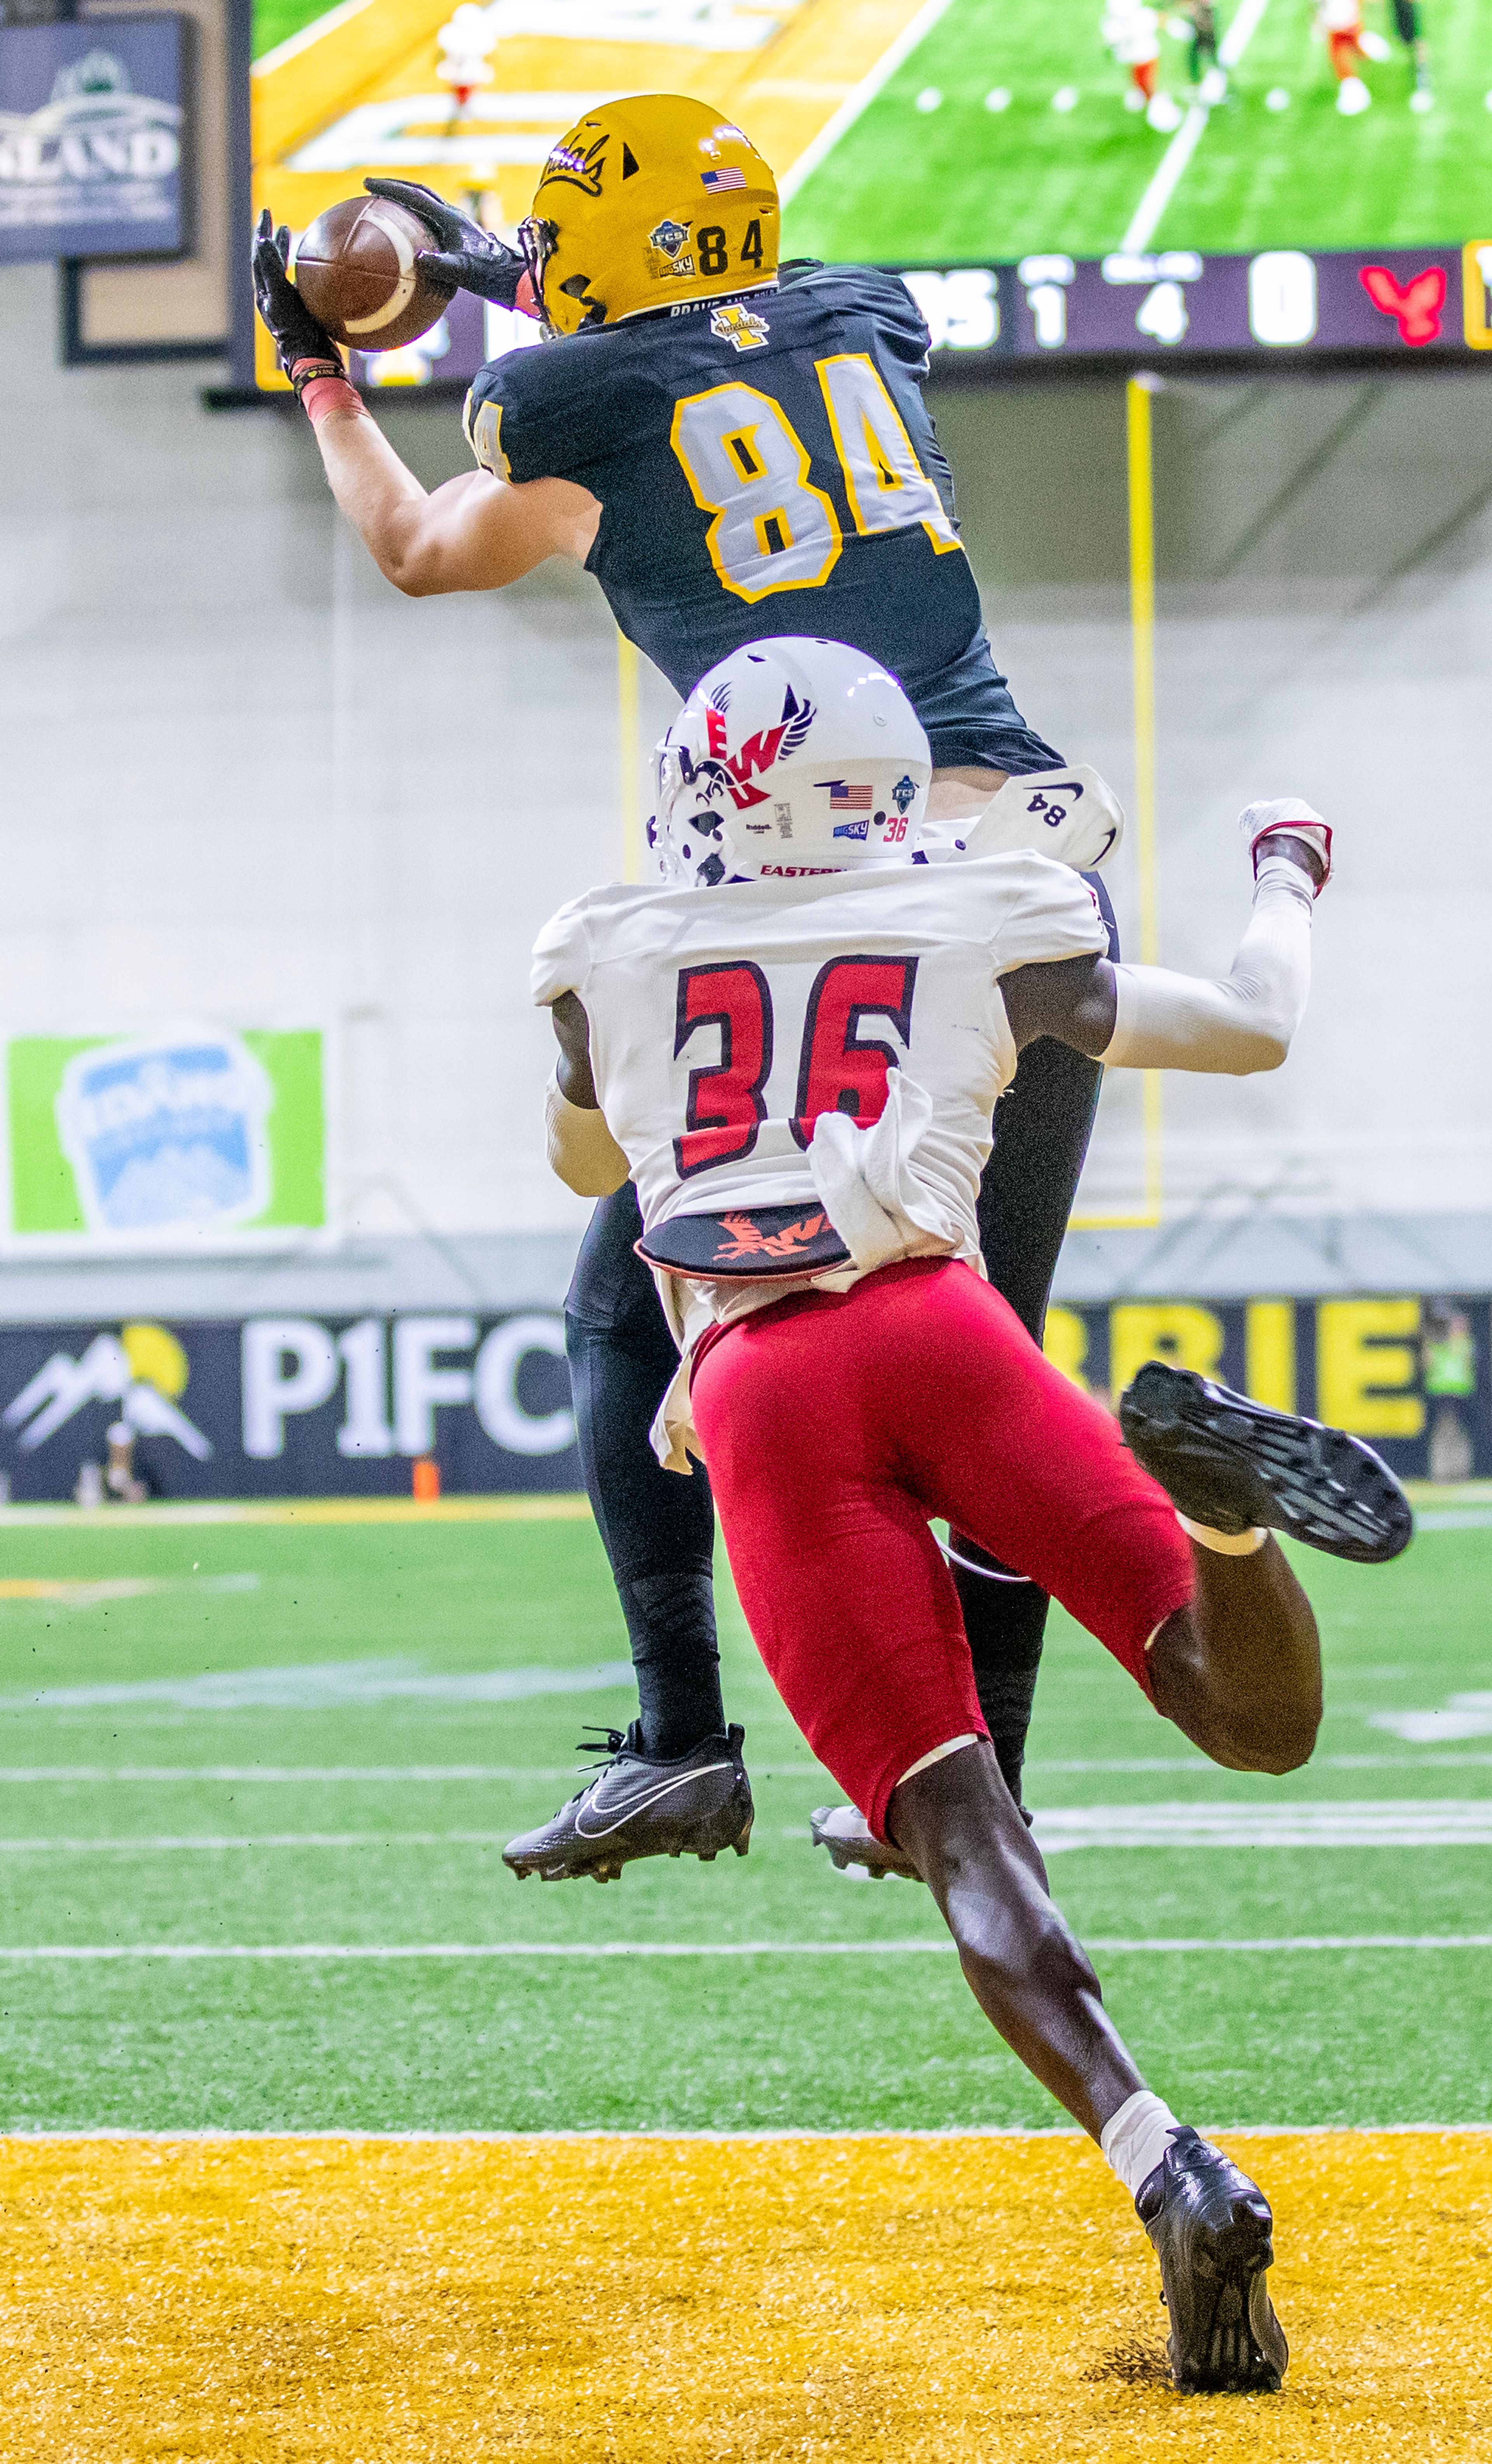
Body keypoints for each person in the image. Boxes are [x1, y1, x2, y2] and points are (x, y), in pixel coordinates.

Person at [254, 92, 1142, 1877]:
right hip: (1035, 876)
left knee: (615, 1311)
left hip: (822, 922)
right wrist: (505, 262)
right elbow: (705, 321)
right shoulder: (870, 316)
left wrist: (326, 371)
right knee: (985, 1355)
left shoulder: (563, 408)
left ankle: (679, 1739)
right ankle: (994, 1789)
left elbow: (424, 544)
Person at [518, 635, 1411, 2392]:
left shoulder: (599, 952)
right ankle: (1226, 1518)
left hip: (771, 1384)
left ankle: (1172, 2162)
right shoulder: (984, 915)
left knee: (959, 1828)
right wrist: (1284, 871)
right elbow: (1255, 1029)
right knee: (1258, 1722)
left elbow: (585, 1174)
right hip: (947, 1326)